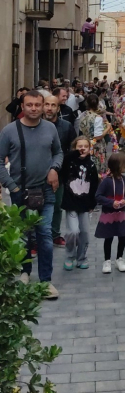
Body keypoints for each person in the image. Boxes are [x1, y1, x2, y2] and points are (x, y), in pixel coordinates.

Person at [0, 90, 62, 298]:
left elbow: (58, 152)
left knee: (44, 235)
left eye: (38, 105)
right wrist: (12, 186)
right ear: (23, 106)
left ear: (44, 106)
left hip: (45, 191)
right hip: (20, 192)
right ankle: (25, 272)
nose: (34, 109)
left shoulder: (50, 128)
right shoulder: (9, 131)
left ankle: (45, 281)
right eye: (30, 105)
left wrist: (54, 168)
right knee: (24, 235)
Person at [61, 136, 99, 270]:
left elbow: (95, 185)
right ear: (74, 148)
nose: (82, 148)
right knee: (73, 231)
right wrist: (74, 154)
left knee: (84, 233)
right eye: (79, 146)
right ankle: (70, 255)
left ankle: (81, 257)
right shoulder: (69, 162)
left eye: (85, 146)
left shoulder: (92, 164)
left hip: (85, 204)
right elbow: (63, 165)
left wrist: (92, 204)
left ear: (90, 149)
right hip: (71, 202)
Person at [43, 95, 76, 248]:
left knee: (56, 206)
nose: (49, 108)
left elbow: (72, 148)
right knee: (35, 207)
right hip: (37, 173)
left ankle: (55, 234)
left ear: (58, 108)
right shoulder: (37, 125)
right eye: (47, 104)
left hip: (60, 173)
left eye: (53, 105)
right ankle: (36, 240)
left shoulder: (66, 126)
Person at [95, 153, 125, 274]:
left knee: (123, 235)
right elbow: (98, 196)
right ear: (119, 166)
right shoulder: (106, 181)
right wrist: (111, 202)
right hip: (108, 214)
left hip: (121, 214)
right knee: (108, 237)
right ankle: (107, 260)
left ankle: (119, 258)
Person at [79, 94, 111, 174]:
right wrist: (107, 128)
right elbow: (98, 137)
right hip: (96, 146)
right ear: (97, 104)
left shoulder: (82, 115)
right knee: (97, 168)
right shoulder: (97, 117)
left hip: (85, 142)